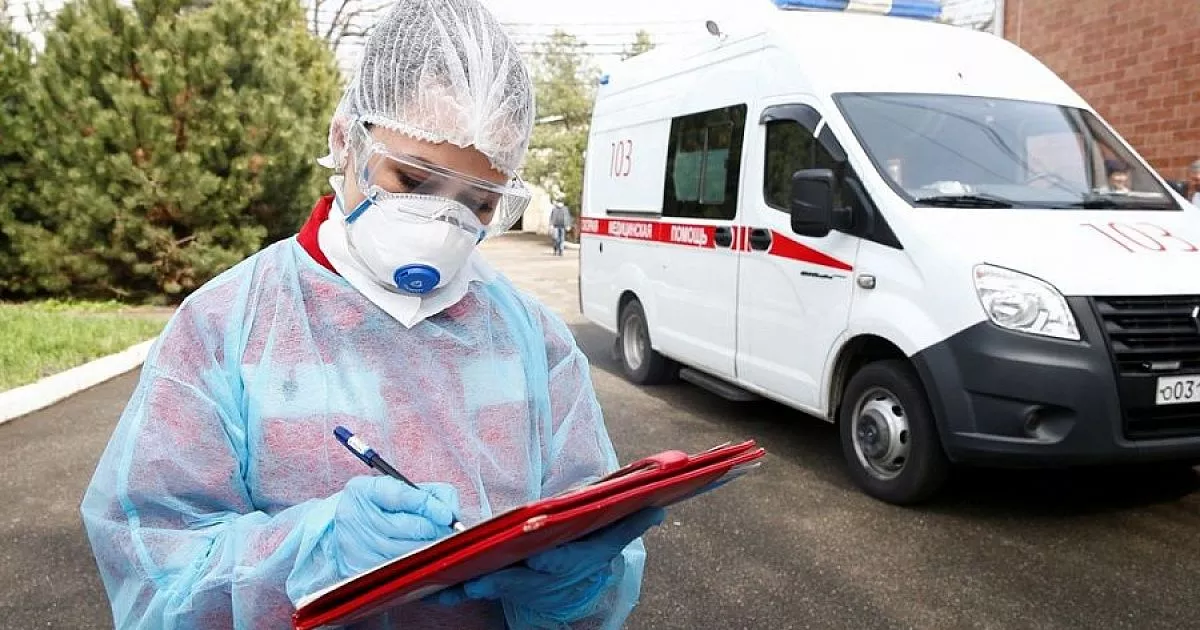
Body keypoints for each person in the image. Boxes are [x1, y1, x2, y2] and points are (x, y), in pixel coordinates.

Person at [79, 1, 663, 628]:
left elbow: (591, 534)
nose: (441, 223)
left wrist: (577, 585)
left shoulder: (533, 341)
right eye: (412, 180)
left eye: (479, 202)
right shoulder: (225, 326)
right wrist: (308, 555)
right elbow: (156, 570)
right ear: (345, 139)